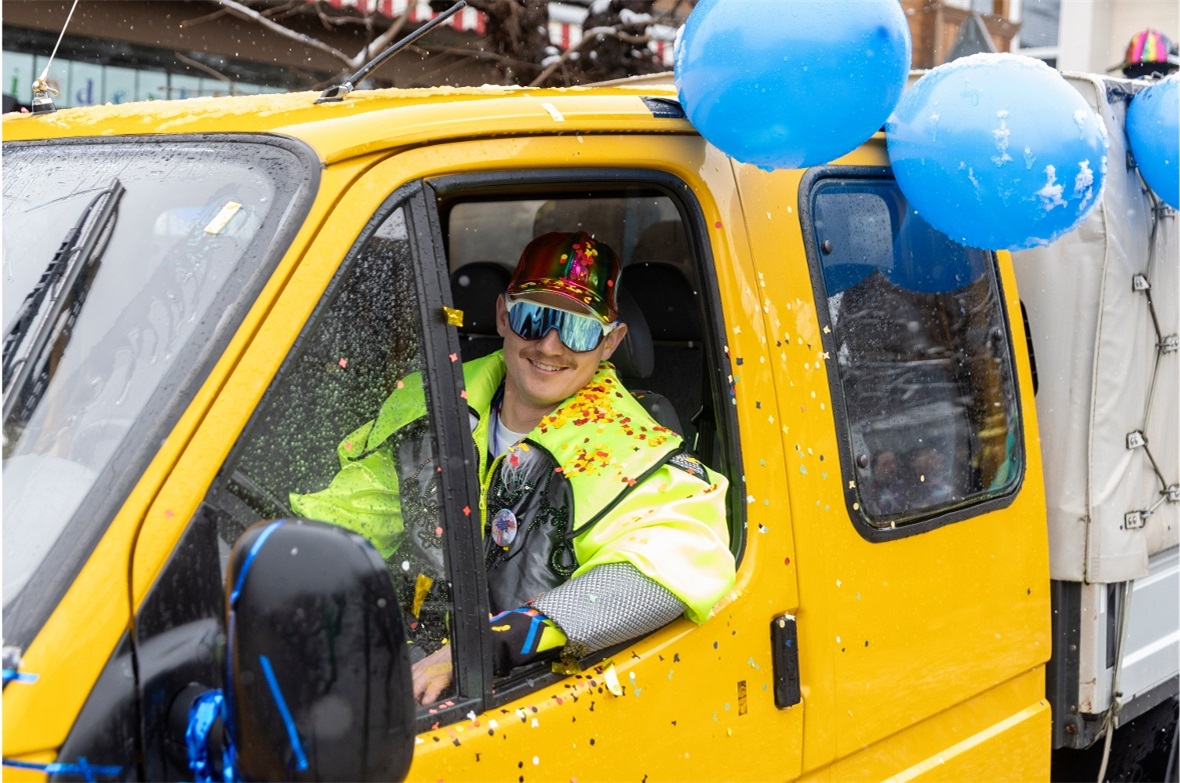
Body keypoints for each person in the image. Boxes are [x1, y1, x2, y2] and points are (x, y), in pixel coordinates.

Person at [290, 231, 735, 705]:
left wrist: (484, 646)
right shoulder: (431, 406)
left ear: (610, 342)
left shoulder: (638, 456)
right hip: (412, 676)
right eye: (533, 317)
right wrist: (275, 559)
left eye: (578, 329)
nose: (549, 345)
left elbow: (663, 575)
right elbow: (343, 521)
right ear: (503, 315)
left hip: (535, 700)